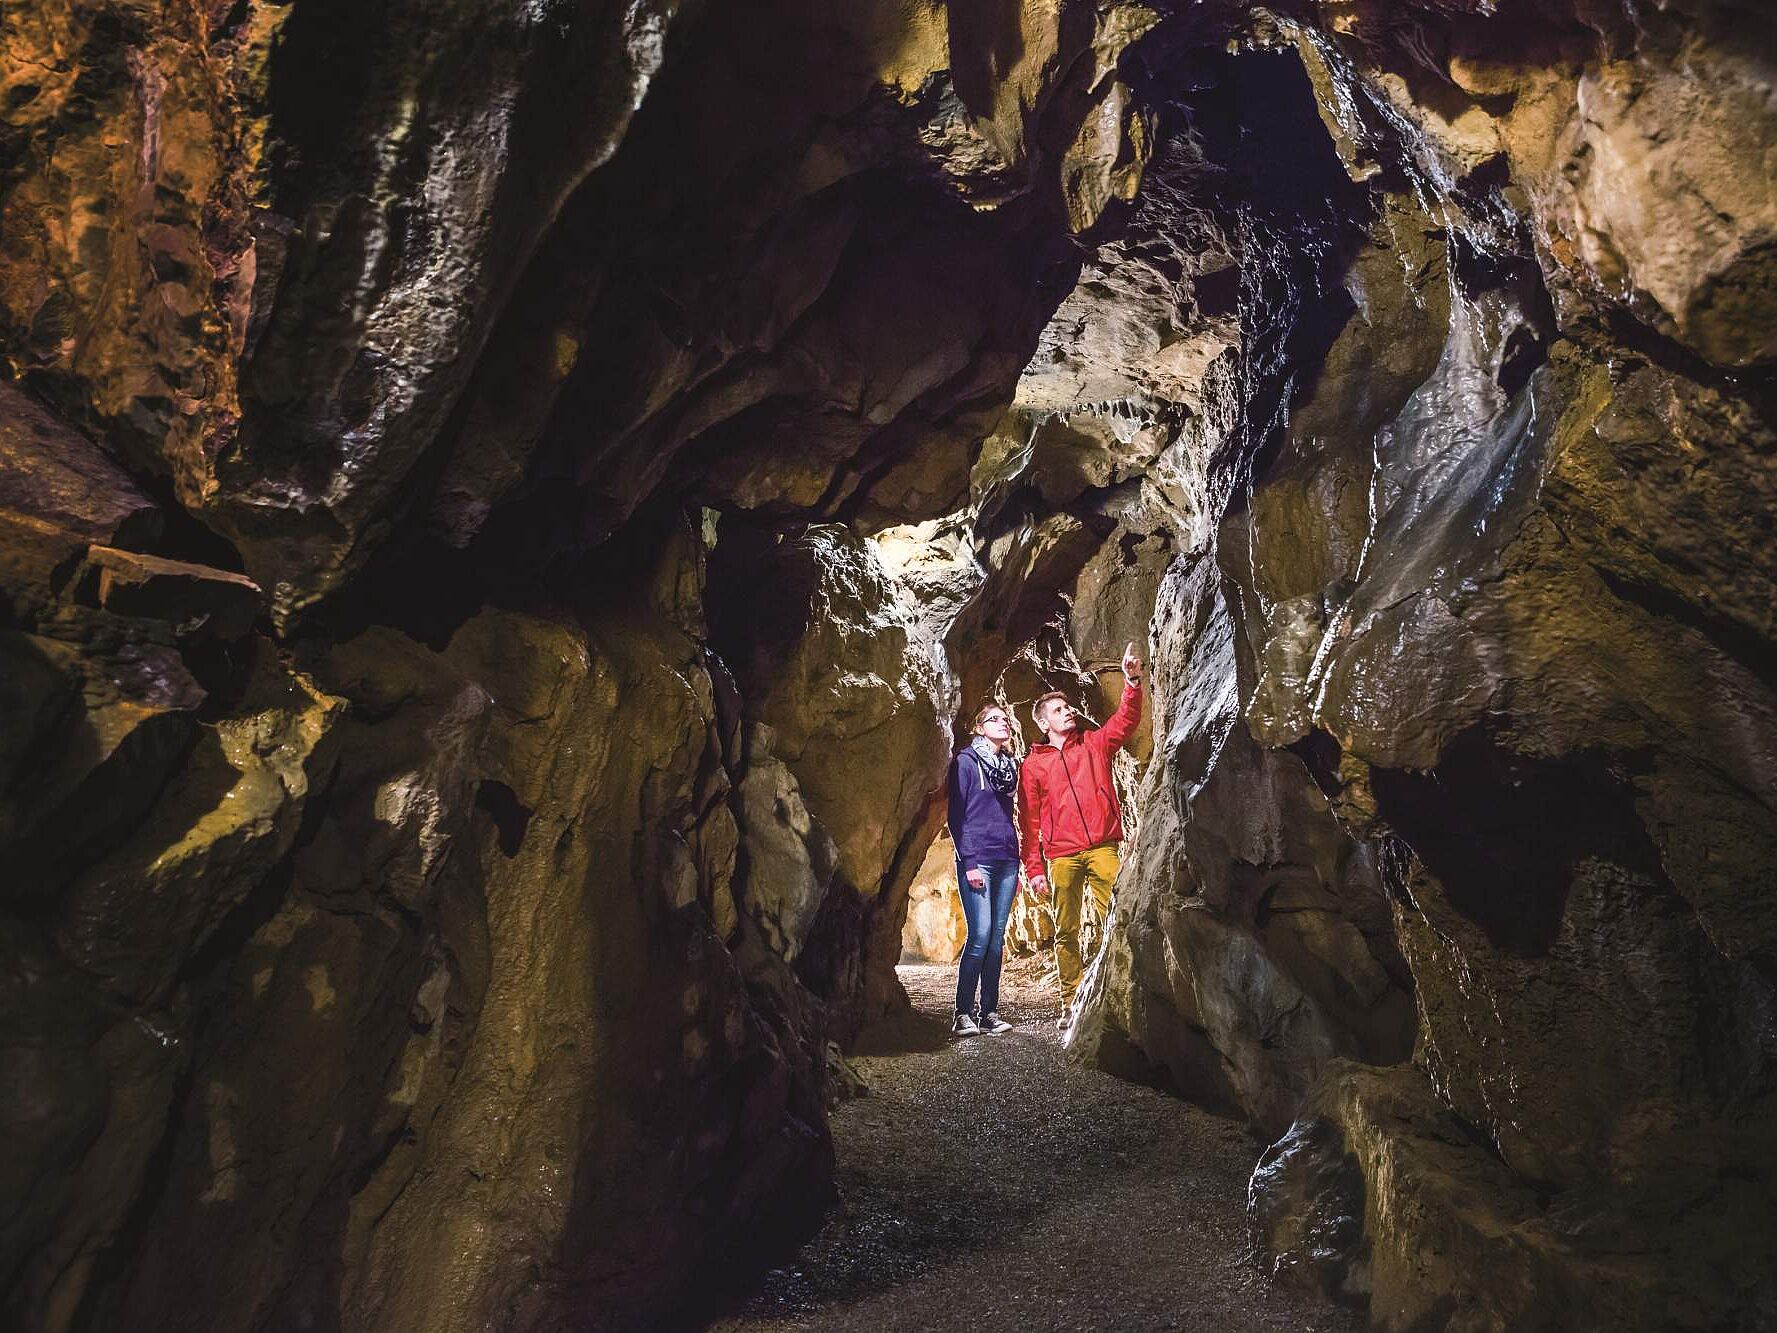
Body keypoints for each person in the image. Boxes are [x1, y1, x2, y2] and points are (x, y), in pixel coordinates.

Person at [1019, 642, 1144, 1027]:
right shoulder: (1033, 767)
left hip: (1103, 847)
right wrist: (1034, 869)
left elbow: (1124, 722)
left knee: (1118, 919)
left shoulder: (1093, 744)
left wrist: (1132, 683)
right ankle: (1071, 1002)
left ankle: (1123, 993)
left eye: (1068, 706)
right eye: (1059, 710)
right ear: (1044, 724)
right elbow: (1030, 822)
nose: (1068, 710)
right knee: (1066, 931)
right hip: (1062, 857)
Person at [945, 702, 1022, 1036]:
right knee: (979, 935)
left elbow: (1009, 816)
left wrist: (1017, 861)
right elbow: (956, 816)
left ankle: (989, 1012)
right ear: (979, 728)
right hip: (978, 861)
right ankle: (962, 1013)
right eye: (994, 719)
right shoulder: (965, 762)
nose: (1003, 723)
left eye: (1005, 719)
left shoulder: (1009, 766)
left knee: (996, 940)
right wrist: (970, 862)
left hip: (1007, 860)